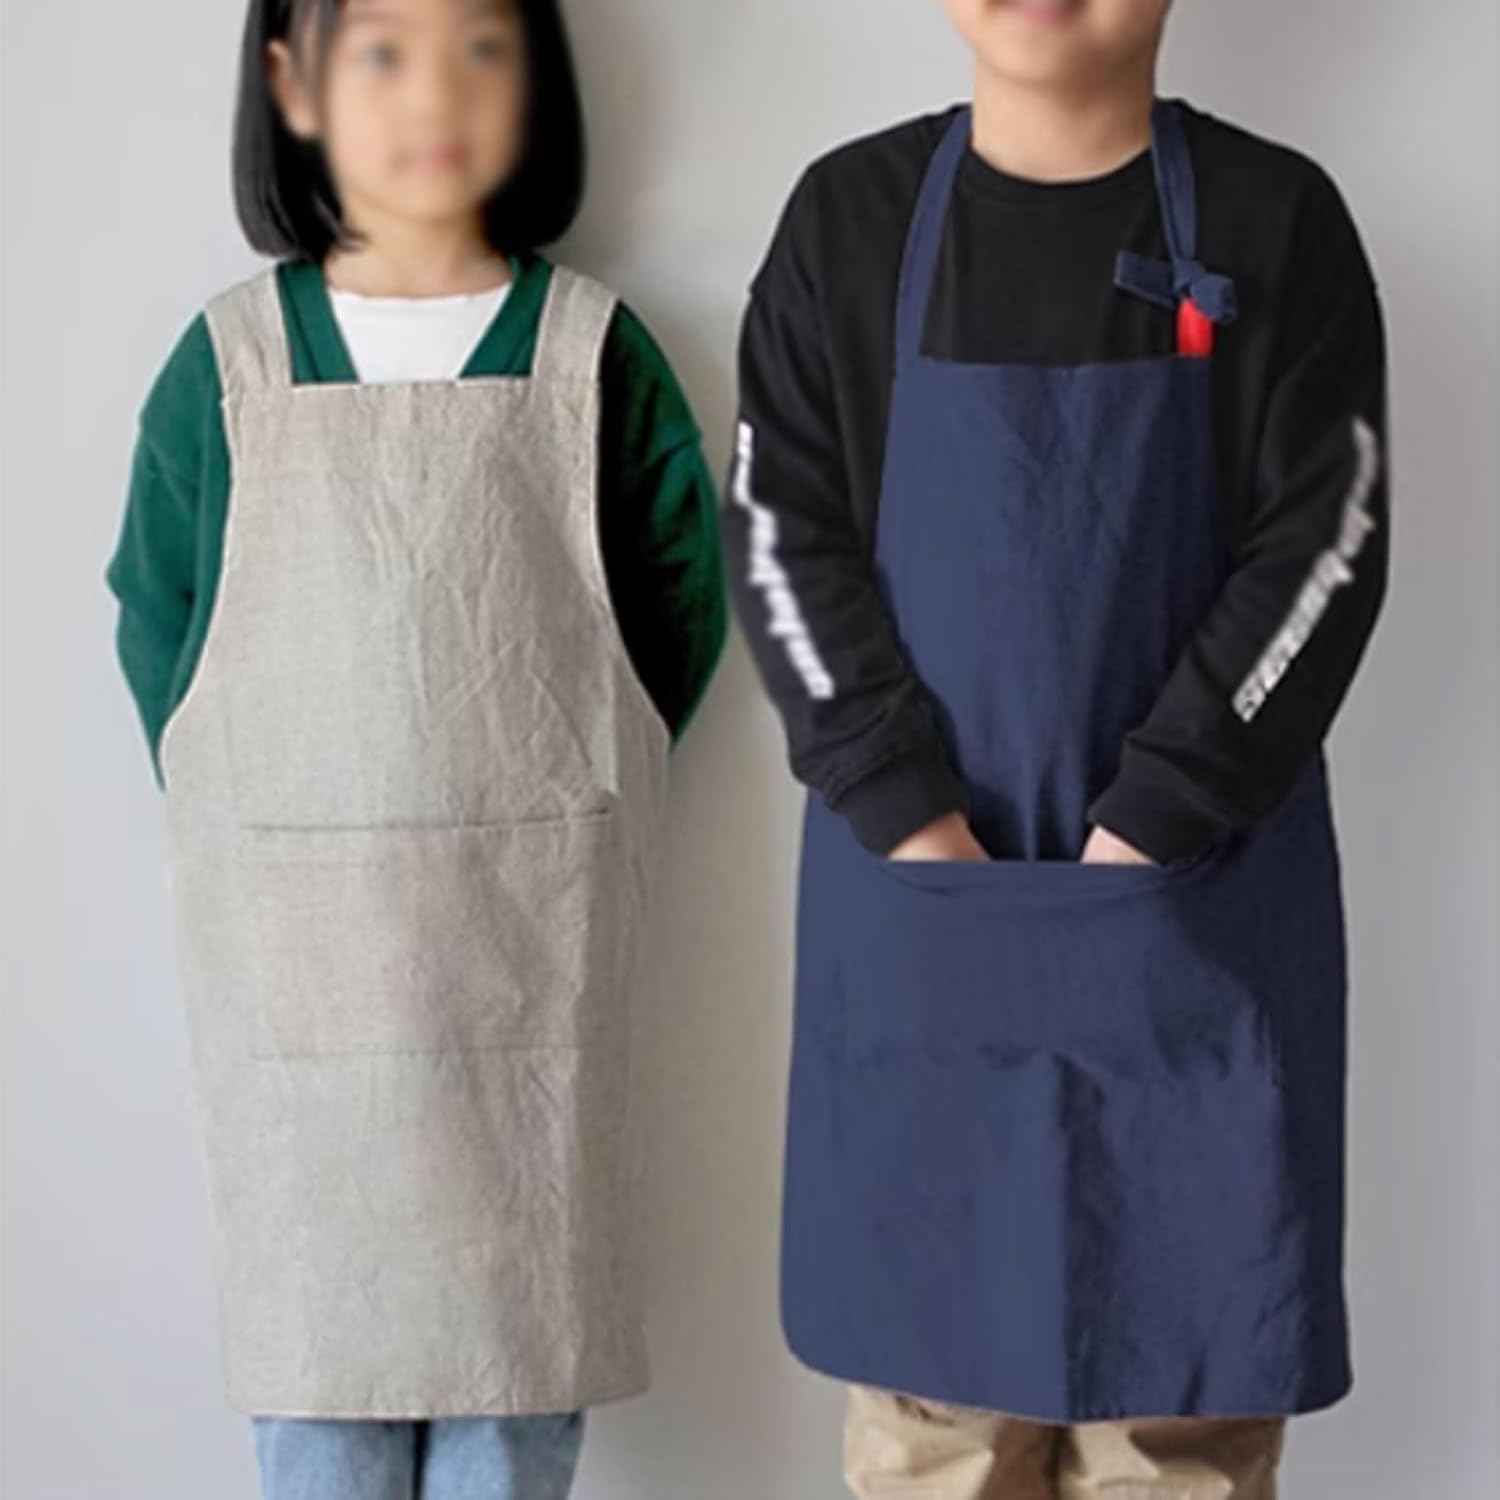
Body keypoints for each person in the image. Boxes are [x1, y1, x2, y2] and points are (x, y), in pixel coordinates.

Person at [724, 1, 1387, 1496]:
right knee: (936, 1440)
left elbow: (1326, 548)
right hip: (924, 932)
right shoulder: (847, 222)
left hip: (1190, 933)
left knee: (1173, 1438)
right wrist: (908, 812)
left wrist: (1157, 817)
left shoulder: (1279, 221)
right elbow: (778, 537)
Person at [103, 2, 725, 1496]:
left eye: (479, 47)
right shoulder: (228, 368)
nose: (432, 90)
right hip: (297, 995)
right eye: (380, 49)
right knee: (320, 1403)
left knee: (516, 1405)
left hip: (533, 973)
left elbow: (672, 623)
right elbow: (162, 629)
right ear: (291, 84)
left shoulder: (593, 357)